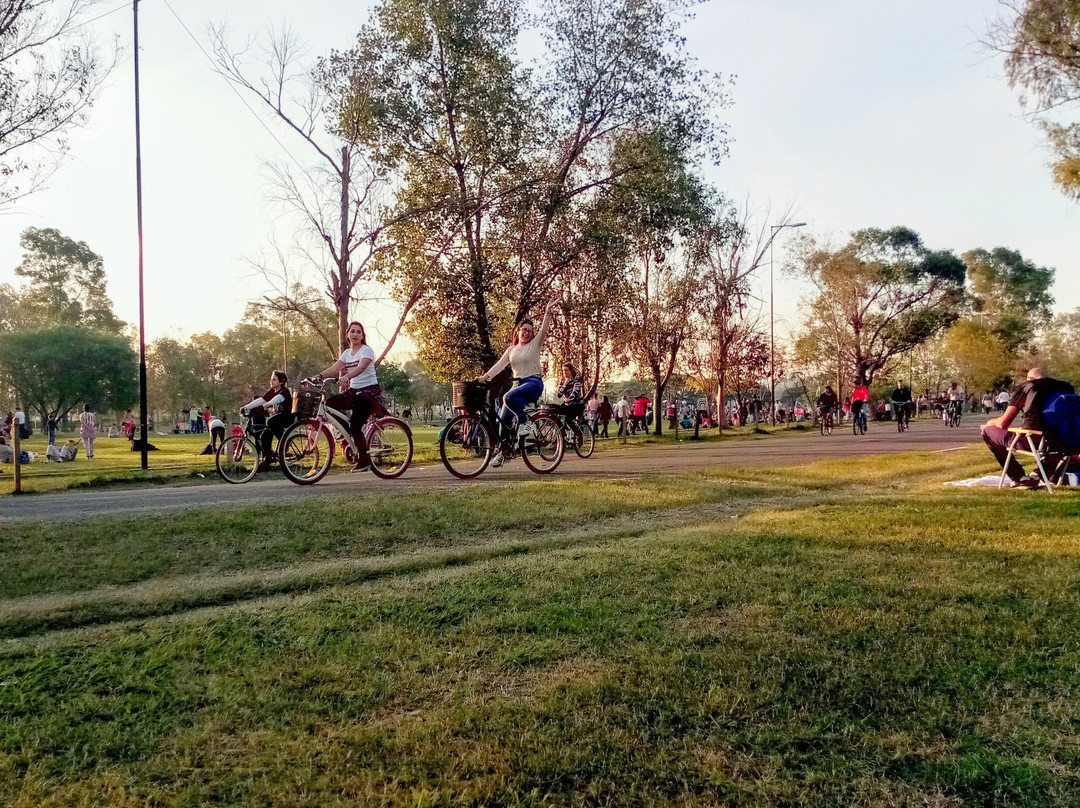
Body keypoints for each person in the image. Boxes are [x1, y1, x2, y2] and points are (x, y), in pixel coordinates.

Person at [477, 300, 557, 467]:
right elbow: (499, 366)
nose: (527, 333)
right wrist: (485, 377)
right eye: (524, 330)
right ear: (518, 331)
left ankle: (525, 422)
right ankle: (504, 451)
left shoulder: (534, 345)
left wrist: (547, 312)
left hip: (533, 383)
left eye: (530, 331)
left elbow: (544, 329)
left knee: (507, 397)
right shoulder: (511, 350)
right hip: (517, 386)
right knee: (503, 421)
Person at [981, 367, 1075, 488]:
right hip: (1067, 442)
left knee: (986, 431)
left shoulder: (1028, 386)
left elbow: (1003, 423)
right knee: (1056, 438)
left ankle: (1018, 477)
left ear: (1030, 378)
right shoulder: (1067, 387)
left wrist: (990, 422)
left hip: (1033, 441)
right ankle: (1038, 475)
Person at [312, 322, 385, 471]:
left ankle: (364, 462)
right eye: (352, 331)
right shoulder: (346, 353)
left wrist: (347, 377)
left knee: (356, 424)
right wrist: (317, 376)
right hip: (354, 391)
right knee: (329, 404)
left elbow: (361, 367)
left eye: (359, 332)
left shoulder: (366, 350)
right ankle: (348, 435)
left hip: (368, 392)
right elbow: (335, 368)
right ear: (348, 334)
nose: (355, 334)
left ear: (362, 336)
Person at [242, 370, 295, 469]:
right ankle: (268, 457)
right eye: (271, 380)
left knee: (270, 422)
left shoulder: (284, 391)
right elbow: (261, 399)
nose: (271, 382)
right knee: (264, 436)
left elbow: (278, 399)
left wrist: (267, 404)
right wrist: (246, 407)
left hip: (286, 417)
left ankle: (285, 441)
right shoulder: (272, 392)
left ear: (281, 382)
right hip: (277, 418)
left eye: (274, 380)